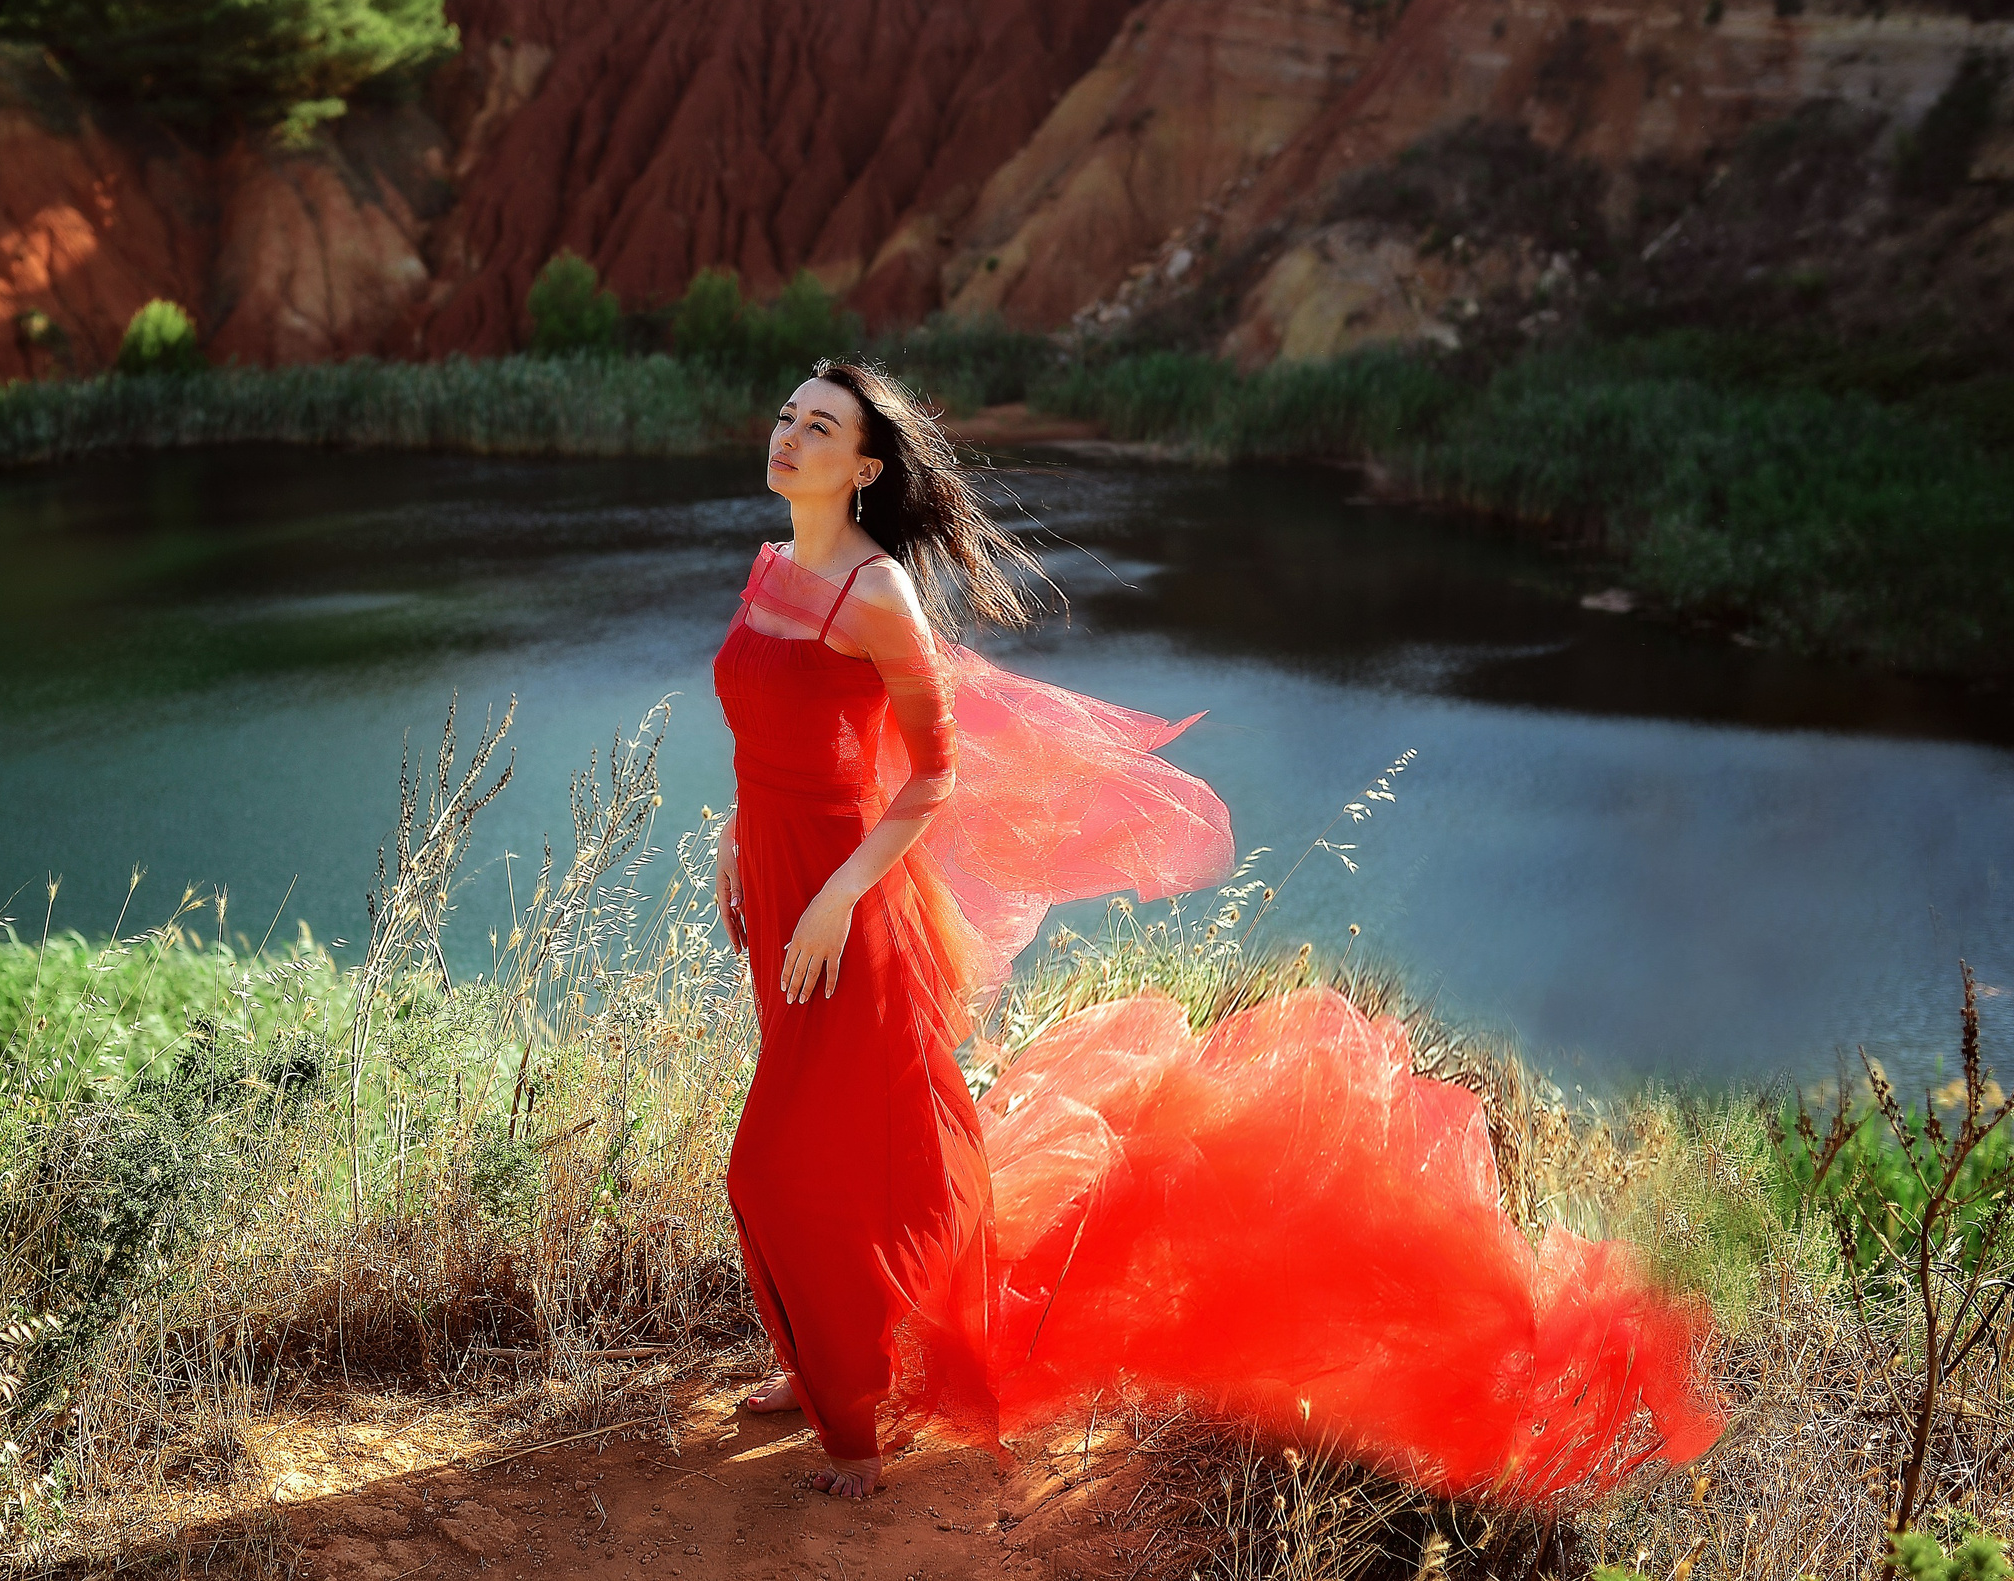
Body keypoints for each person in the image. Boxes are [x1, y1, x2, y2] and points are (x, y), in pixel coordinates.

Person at [710, 360, 1721, 1502]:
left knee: (782, 1161)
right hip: (780, 883)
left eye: (820, 424)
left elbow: (933, 774)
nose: (789, 435)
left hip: (848, 905)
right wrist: (732, 843)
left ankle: (856, 1425)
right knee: (833, 1140)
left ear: (866, 467)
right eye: (788, 416)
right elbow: (767, 728)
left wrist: (841, 891)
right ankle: (819, 1357)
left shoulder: (875, 594)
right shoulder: (771, 572)